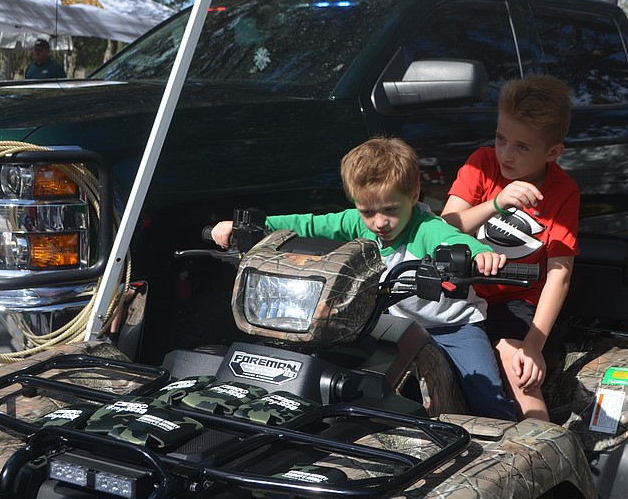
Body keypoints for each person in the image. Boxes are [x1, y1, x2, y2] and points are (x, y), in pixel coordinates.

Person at [212, 136, 519, 421]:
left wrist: (479, 253)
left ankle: (503, 446)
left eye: (390, 210)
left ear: (413, 195)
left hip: (452, 327)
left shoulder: (426, 228)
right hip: (392, 325)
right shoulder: (355, 222)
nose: (379, 222)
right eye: (367, 211)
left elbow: (451, 238)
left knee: (484, 389)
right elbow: (307, 224)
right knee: (352, 377)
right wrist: (254, 226)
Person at [441, 74, 580, 421]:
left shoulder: (563, 192)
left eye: (521, 147)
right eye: (501, 138)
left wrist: (534, 346)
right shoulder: (482, 164)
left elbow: (558, 276)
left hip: (514, 302)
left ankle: (542, 448)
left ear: (553, 152)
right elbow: (443, 230)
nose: (505, 153)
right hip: (457, 291)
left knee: (520, 370)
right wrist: (496, 204)